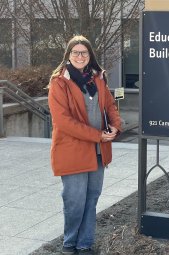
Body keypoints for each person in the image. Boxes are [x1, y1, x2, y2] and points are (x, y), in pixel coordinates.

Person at [48, 35, 122, 255]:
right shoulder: (59, 82)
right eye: (75, 53)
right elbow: (63, 122)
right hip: (72, 151)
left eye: (84, 53)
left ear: (90, 56)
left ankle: (85, 243)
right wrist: (97, 135)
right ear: (68, 56)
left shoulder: (98, 78)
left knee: (91, 199)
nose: (80, 56)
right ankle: (70, 244)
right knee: (74, 201)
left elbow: (110, 106)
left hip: (99, 151)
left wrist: (116, 126)